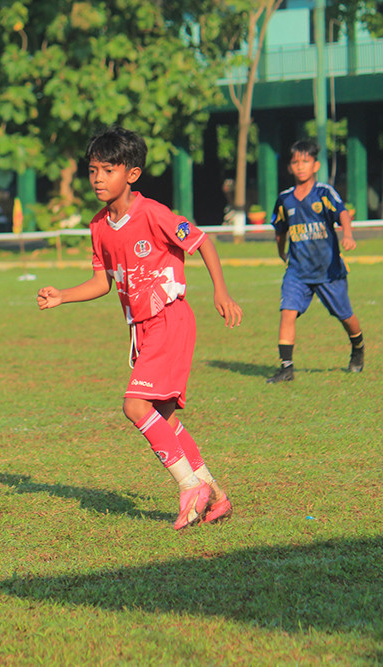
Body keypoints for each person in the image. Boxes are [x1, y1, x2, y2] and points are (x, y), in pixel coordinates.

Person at [37, 126, 242, 530]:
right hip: (142, 330)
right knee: (162, 417)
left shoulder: (153, 213)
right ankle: (216, 496)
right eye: (93, 170)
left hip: (169, 318)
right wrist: (63, 295)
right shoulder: (99, 226)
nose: (98, 179)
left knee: (134, 406)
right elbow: (102, 282)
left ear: (131, 174)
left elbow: (202, 241)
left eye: (108, 170)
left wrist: (220, 291)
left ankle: (190, 487)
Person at [266, 139, 364, 383]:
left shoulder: (324, 192)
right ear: (290, 167)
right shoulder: (285, 199)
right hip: (297, 271)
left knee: (345, 316)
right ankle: (286, 368)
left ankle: (358, 348)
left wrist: (348, 234)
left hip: (328, 271)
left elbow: (342, 212)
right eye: (295, 162)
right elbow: (280, 229)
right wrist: (281, 251)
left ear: (316, 165)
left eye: (305, 161)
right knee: (287, 312)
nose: (300, 166)